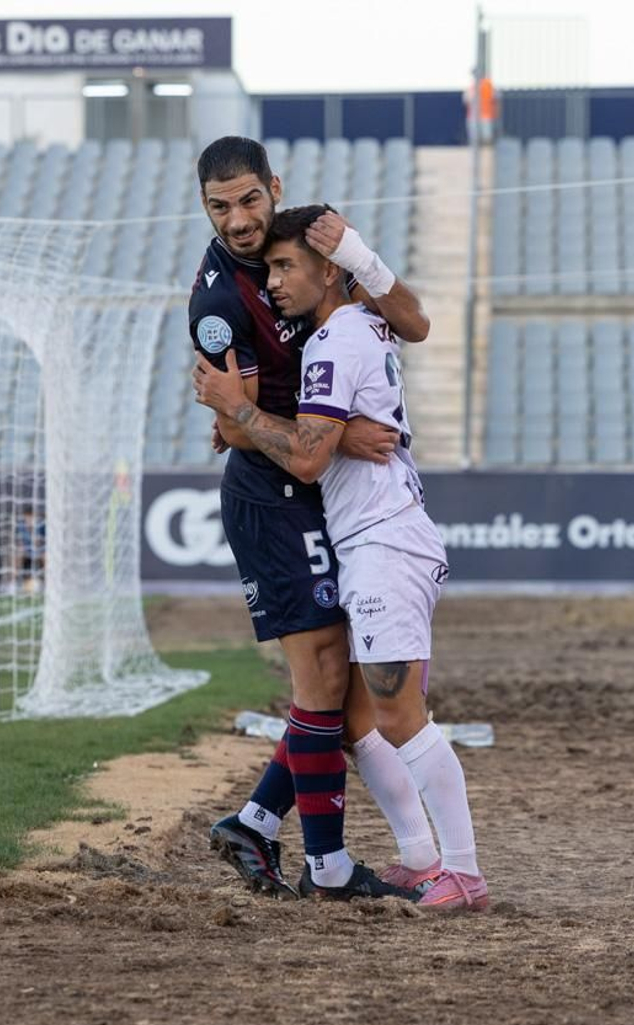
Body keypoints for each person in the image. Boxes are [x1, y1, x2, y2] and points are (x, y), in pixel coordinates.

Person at [194, 204, 489, 910]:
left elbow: (306, 457)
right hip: (378, 536)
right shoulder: (365, 320)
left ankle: (463, 872)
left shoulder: (331, 343)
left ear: (329, 270)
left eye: (285, 266)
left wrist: (238, 410)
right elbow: (411, 322)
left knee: (397, 716)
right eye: (267, 270)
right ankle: (417, 859)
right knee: (356, 719)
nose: (272, 282)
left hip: (383, 542)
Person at [11, 505, 45, 593]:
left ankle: (48, 581)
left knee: (46, 556)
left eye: (31, 517)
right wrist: (21, 547)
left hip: (40, 551)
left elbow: (42, 542)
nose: (29, 519)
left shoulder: (41, 526)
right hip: (27, 551)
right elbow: (19, 541)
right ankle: (12, 583)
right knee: (17, 554)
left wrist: (38, 541)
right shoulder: (21, 526)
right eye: (27, 517)